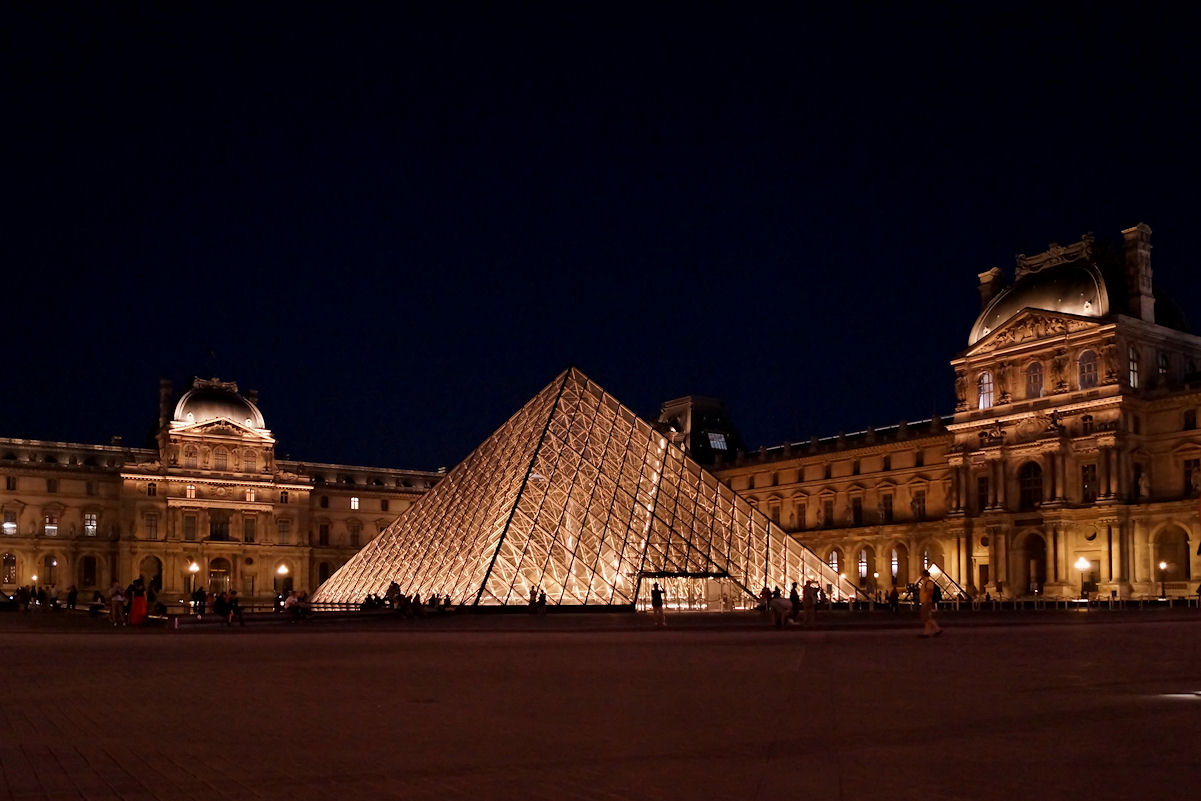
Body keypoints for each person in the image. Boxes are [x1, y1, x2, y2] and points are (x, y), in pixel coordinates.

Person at [918, 569, 943, 638]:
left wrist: (926, 601)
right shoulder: (926, 582)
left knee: (926, 618)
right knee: (926, 618)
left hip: (927, 602)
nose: (920, 576)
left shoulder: (928, 582)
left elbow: (929, 592)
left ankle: (936, 630)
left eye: (921, 575)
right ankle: (928, 632)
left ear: (924, 575)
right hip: (925, 602)